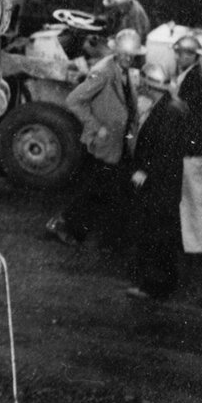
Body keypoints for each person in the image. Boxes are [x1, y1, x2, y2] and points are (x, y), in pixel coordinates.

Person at [45, 26, 143, 246]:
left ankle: (101, 233)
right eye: (125, 54)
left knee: (107, 187)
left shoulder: (124, 70)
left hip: (119, 142)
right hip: (104, 143)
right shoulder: (104, 71)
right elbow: (74, 100)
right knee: (94, 188)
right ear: (116, 51)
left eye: (132, 55)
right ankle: (65, 224)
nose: (128, 58)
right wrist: (95, 125)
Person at [125, 62, 189, 301]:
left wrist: (144, 171)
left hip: (159, 186)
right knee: (164, 236)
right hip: (167, 185)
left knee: (155, 236)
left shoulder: (167, 112)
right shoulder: (173, 107)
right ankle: (163, 283)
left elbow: (164, 150)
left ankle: (153, 286)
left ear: (151, 88)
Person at [173, 33, 202, 257]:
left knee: (195, 198)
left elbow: (192, 116)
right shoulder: (195, 75)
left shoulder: (194, 80)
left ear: (193, 56)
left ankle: (199, 245)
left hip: (193, 149)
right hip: (198, 147)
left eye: (185, 54)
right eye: (178, 53)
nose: (180, 57)